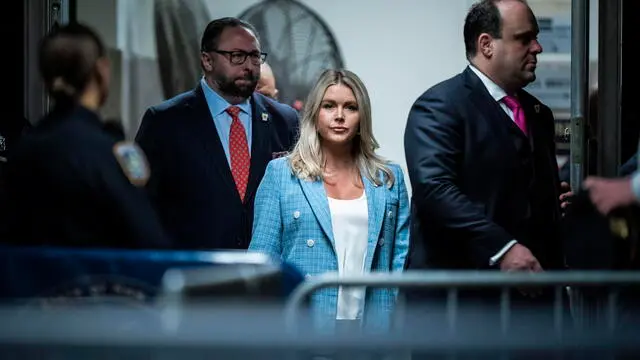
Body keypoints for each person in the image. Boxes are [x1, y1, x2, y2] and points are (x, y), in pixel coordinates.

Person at [404, 0, 571, 331]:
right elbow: (435, 189)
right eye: (524, 38)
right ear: (486, 45)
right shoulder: (439, 107)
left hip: (533, 311)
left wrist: (554, 200)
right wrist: (504, 248)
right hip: (462, 312)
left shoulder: (539, 115)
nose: (537, 48)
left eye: (535, 38)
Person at [249, 69, 410, 331]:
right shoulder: (281, 174)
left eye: (350, 107)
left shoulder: (389, 180)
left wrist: (390, 317)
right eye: (329, 106)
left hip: (372, 326)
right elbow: (262, 260)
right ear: (315, 112)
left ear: (362, 116)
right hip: (302, 324)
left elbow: (399, 262)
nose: (339, 116)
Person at [135, 17, 299, 250]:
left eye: (254, 56)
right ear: (207, 60)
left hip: (265, 274)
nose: (249, 66)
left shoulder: (284, 121)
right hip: (193, 273)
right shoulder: (165, 122)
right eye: (237, 56)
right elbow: (142, 207)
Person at [1, 23, 168, 249]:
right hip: (97, 282)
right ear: (101, 70)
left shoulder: (22, 151)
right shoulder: (111, 153)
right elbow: (150, 242)